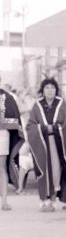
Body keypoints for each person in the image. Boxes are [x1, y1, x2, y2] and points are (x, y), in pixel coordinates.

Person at [26, 78, 66, 211]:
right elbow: (30, 125)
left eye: (52, 88)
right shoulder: (37, 105)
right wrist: (43, 128)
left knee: (56, 170)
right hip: (41, 143)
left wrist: (53, 129)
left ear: (56, 90)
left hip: (57, 143)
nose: (50, 90)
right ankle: (43, 200)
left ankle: (53, 200)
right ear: (42, 90)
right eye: (47, 88)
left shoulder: (61, 104)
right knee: (42, 170)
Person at [0, 80, 25, 210]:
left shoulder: (7, 97)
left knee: (2, 166)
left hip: (2, 134)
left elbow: (14, 116)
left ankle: (4, 201)